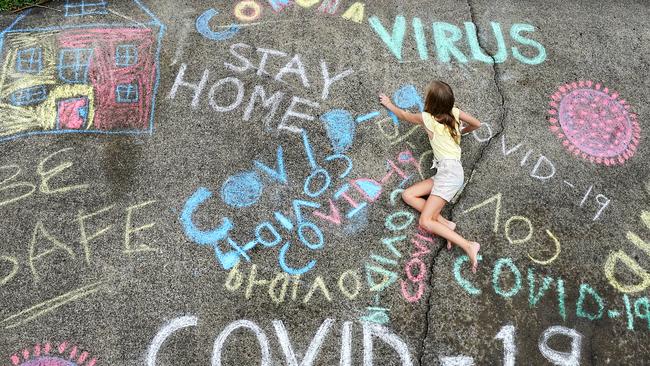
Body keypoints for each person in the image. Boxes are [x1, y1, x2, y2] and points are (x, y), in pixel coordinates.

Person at [379, 81, 482, 272]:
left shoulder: (427, 118)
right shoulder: (455, 112)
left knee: (426, 221)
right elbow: (477, 124)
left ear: (431, 103)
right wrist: (461, 132)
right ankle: (445, 224)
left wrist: (388, 103)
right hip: (447, 172)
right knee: (408, 195)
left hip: (450, 175)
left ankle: (468, 245)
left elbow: (403, 115)